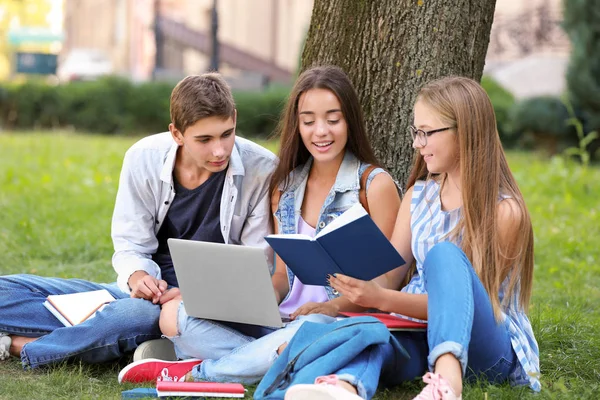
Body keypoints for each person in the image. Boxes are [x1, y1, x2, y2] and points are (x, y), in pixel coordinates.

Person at [117, 65, 402, 384]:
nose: (321, 131)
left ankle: (200, 371)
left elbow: (388, 283)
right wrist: (249, 301)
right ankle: (278, 358)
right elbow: (281, 277)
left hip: (338, 321)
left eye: (333, 119)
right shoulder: (286, 187)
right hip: (280, 322)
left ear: (350, 120)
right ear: (298, 125)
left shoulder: (374, 186)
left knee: (314, 329)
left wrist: (333, 306)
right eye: (309, 121)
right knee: (176, 315)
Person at [261, 76, 540, 400]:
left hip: (486, 346)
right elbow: (390, 277)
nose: (417, 144)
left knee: (443, 255)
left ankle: (448, 383)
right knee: (372, 336)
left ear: (465, 131)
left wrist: (381, 300)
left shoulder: (504, 211)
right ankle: (344, 388)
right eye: (416, 132)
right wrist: (350, 294)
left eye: (427, 133)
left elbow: (462, 309)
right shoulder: (418, 197)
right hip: (418, 332)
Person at [0, 73, 277, 369]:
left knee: (131, 316)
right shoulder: (144, 158)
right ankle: (122, 337)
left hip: (199, 308)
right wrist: (138, 278)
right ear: (177, 134)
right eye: (204, 140)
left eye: (226, 133)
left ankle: (19, 345)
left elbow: (254, 268)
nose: (220, 150)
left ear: (234, 118)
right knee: (7, 291)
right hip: (143, 293)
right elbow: (131, 245)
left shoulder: (260, 169)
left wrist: (190, 295)